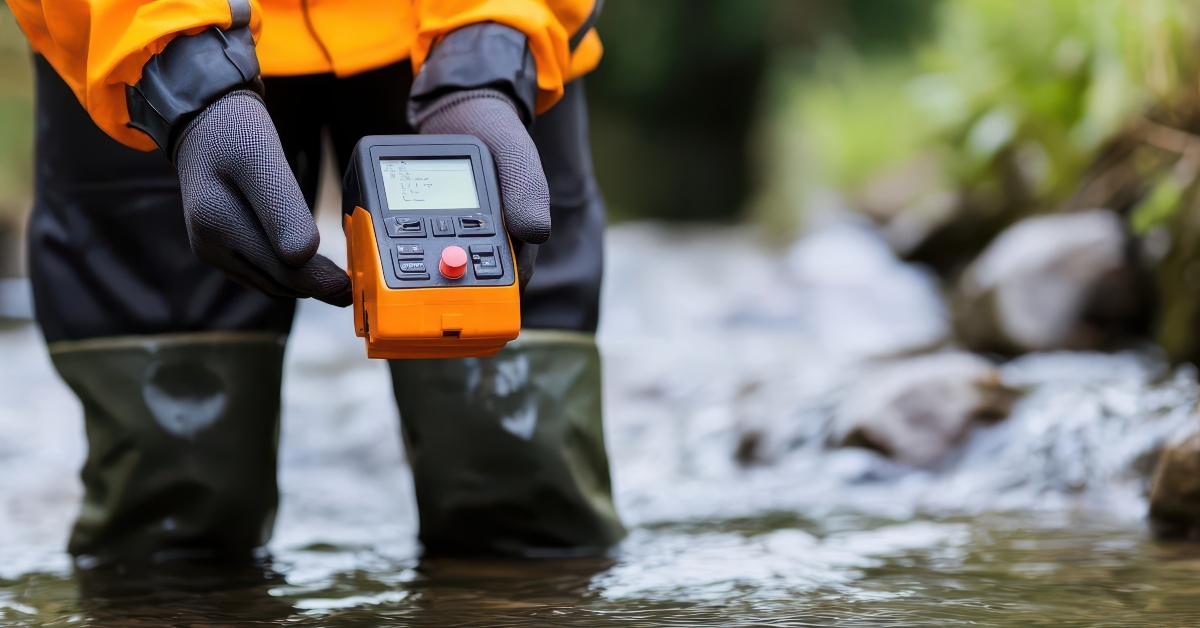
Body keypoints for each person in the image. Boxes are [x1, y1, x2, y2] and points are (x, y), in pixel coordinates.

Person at [6, 0, 624, 565]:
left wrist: (489, 51)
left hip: (451, 39)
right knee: (167, 515)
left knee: (531, 498)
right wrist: (180, 73)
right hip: (143, 36)